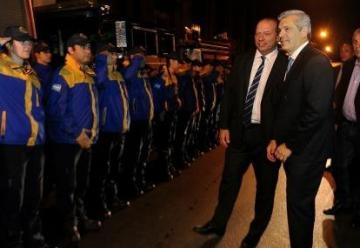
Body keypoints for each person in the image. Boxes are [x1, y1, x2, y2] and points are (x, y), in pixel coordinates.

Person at [193, 18, 287, 248]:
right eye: (258, 33)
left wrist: (280, 138)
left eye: (266, 33)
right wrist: (223, 125)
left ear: (277, 36)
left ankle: (254, 235)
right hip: (239, 134)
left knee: (265, 190)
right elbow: (230, 97)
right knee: (228, 182)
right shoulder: (243, 60)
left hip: (267, 140)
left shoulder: (286, 65)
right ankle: (218, 223)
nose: (261, 38)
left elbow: (288, 107)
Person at [267, 10, 334, 248]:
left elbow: (315, 112)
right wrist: (275, 138)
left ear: (305, 31)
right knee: (296, 208)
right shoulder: (290, 61)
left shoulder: (316, 62)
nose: (280, 35)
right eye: (280, 29)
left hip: (307, 152)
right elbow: (285, 108)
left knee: (300, 210)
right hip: (296, 151)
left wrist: (290, 144)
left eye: (286, 29)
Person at [46, 33, 101, 246]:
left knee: (81, 184)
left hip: (86, 140)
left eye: (89, 47)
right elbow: (56, 111)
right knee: (67, 186)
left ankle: (81, 218)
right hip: (68, 142)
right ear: (70, 50)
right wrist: (77, 134)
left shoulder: (86, 73)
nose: (88, 50)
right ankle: (68, 227)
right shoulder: (63, 74)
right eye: (83, 47)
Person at [0, 26, 47, 248]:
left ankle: (33, 235)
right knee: (12, 197)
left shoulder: (28, 69)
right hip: (11, 142)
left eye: (29, 41)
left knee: (33, 194)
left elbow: (39, 96)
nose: (28, 45)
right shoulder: (1, 65)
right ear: (9, 44)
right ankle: (13, 239)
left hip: (36, 140)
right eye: (21, 41)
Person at [88, 42, 130, 220]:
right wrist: (102, 58)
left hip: (119, 128)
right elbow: (99, 81)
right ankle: (98, 204)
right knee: (101, 170)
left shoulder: (118, 74)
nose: (115, 56)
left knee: (114, 167)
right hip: (106, 130)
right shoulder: (98, 72)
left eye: (114, 54)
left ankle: (112, 198)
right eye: (111, 53)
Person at [325, 28, 360, 227]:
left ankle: (358, 212)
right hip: (345, 127)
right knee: (340, 167)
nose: (357, 45)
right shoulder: (347, 67)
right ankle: (343, 203)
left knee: (357, 173)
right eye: (355, 41)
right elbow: (340, 95)